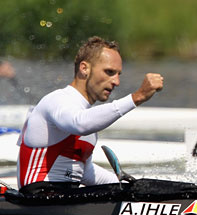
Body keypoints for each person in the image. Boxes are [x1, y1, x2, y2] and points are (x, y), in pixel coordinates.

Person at [17, 36, 163, 193]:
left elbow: (84, 172)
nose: (116, 82)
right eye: (109, 72)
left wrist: (133, 189)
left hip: (63, 203)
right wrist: (137, 97)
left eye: (118, 74)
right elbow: (79, 124)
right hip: (36, 202)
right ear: (84, 68)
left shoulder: (89, 121)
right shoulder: (57, 100)